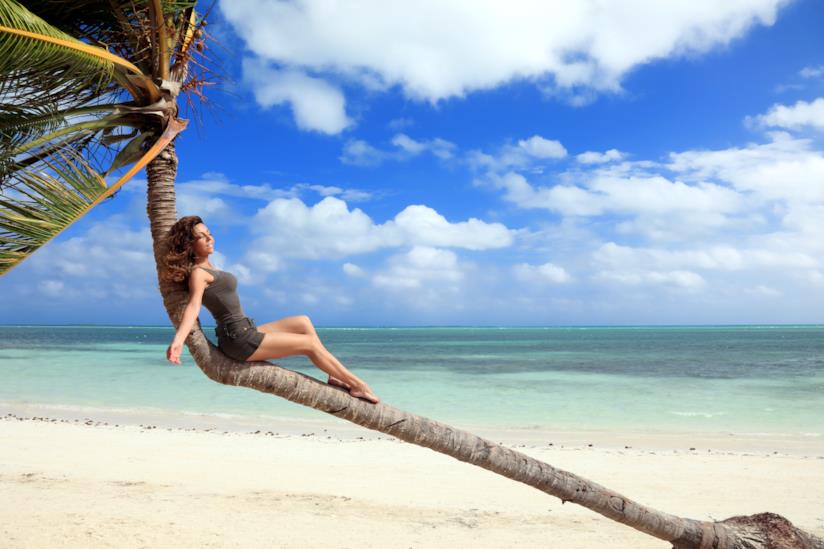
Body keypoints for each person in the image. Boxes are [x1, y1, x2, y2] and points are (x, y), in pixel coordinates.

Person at [162, 215, 379, 404]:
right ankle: (357, 384)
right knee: (309, 344)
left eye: (209, 233)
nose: (210, 238)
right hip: (238, 340)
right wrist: (179, 341)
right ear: (189, 245)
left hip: (246, 330)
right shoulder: (198, 273)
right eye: (202, 236)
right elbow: (193, 306)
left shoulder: (209, 267)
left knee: (302, 321)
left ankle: (334, 376)